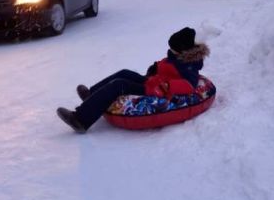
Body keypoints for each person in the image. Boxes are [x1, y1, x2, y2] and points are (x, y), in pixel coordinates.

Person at [56, 27, 210, 133]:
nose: (170, 51)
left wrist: (167, 86)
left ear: (182, 50)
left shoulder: (189, 65)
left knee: (120, 85)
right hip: (152, 81)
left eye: (173, 49)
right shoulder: (177, 56)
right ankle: (91, 95)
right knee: (125, 73)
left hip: (156, 91)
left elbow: (189, 85)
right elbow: (167, 65)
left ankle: (81, 119)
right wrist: (155, 67)